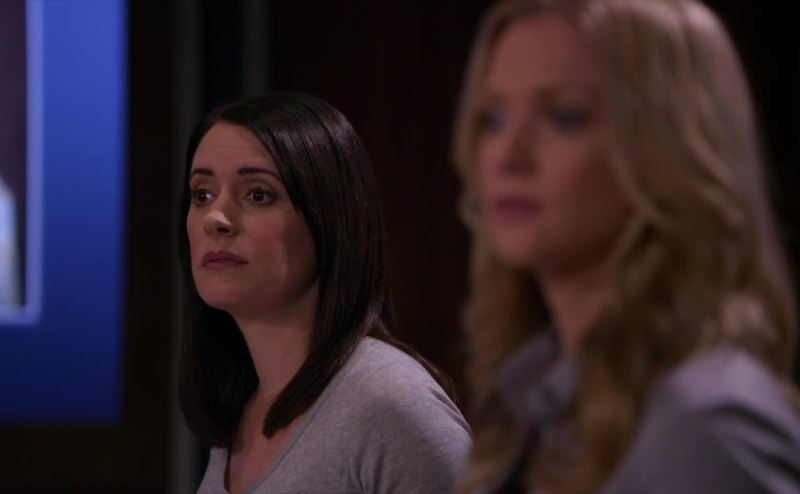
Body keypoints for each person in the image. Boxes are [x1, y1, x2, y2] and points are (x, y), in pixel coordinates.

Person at [451, 0, 800, 492]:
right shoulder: (536, 399)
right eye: (493, 119)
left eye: (565, 118)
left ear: (668, 146)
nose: (509, 155)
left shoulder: (707, 427)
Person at [177, 92, 471, 494]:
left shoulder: (389, 401)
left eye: (258, 194)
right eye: (202, 195)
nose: (216, 218)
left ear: (329, 220)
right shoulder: (241, 415)